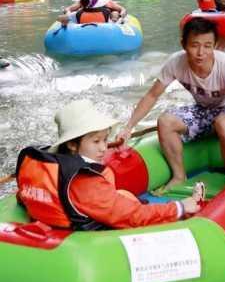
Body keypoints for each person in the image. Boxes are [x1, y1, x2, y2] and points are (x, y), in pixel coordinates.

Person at [16, 99, 200, 231]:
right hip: (89, 238)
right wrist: (179, 207)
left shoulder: (48, 166)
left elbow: (23, 195)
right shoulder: (84, 181)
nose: (104, 148)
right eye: (96, 141)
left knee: (123, 195)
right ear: (72, 144)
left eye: (105, 140)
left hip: (63, 218)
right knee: (129, 202)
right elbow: (132, 216)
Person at [118, 18, 225, 188]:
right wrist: (129, 127)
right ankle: (179, 176)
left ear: (215, 45)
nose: (200, 52)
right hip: (203, 110)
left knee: (223, 122)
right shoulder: (176, 63)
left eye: (207, 46)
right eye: (194, 45)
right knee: (165, 122)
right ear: (183, 44)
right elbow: (152, 95)